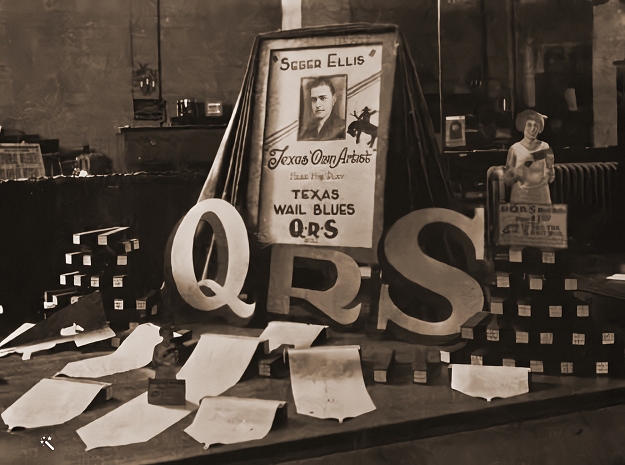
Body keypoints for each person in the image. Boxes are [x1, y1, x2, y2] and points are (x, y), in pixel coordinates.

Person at [504, 109, 554, 204]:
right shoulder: (514, 149)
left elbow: (551, 176)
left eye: (536, 125)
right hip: (520, 197)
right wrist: (515, 174)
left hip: (541, 197)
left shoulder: (545, 147)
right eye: (529, 125)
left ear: (539, 128)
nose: (532, 129)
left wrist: (546, 175)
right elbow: (508, 180)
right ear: (523, 126)